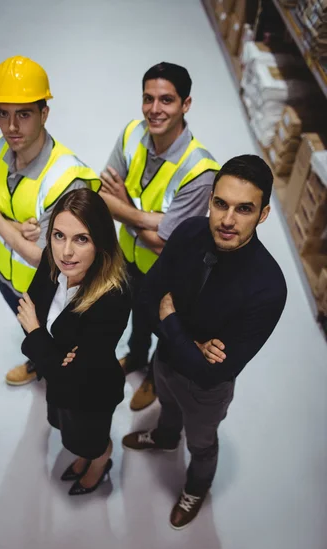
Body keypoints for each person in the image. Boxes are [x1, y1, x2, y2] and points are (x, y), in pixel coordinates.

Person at [122, 155, 287, 529]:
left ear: (262, 214)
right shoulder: (188, 233)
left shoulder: (269, 288)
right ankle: (165, 438)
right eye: (221, 204)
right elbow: (147, 299)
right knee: (166, 404)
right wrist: (188, 341)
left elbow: (215, 372)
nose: (228, 220)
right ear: (210, 199)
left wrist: (170, 318)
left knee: (201, 443)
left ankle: (197, 486)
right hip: (163, 360)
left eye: (244, 209)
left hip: (205, 392)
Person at [0, 56, 100, 386]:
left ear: (44, 113)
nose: (11, 127)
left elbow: (46, 255)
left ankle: (58, 376)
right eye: (3, 113)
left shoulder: (66, 178)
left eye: (23, 114)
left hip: (51, 288)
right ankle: (37, 361)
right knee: (28, 326)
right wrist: (15, 229)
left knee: (58, 339)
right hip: (8, 276)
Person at [100, 62, 219, 411]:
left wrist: (126, 205)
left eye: (166, 100)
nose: (155, 109)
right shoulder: (131, 135)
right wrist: (148, 220)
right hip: (128, 259)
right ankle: (136, 357)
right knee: (135, 316)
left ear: (186, 104)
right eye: (148, 98)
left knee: (164, 329)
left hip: (168, 273)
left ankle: (154, 374)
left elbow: (168, 242)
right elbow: (102, 197)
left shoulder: (200, 170)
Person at [17, 188, 130, 495]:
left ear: (100, 242)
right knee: (71, 432)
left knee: (93, 440)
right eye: (58, 235)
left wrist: (37, 333)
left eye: (81, 239)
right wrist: (58, 358)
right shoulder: (52, 262)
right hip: (64, 388)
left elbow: (72, 374)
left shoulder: (113, 299)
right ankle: (84, 457)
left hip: (93, 393)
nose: (66, 252)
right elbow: (28, 307)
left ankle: (99, 464)